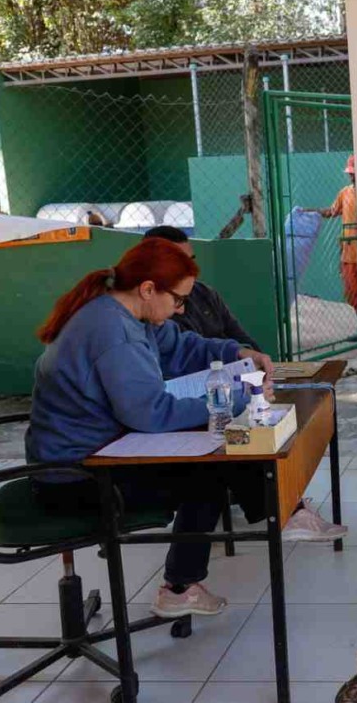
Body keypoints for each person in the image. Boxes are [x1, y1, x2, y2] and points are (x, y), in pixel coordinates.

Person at [27, 238, 275, 618]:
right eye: (178, 300)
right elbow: (152, 414)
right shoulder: (115, 334)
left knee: (213, 456)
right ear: (147, 289)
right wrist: (236, 399)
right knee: (207, 473)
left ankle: (280, 513)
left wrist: (235, 353)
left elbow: (180, 345)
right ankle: (184, 584)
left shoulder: (124, 312)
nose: (181, 309)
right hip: (73, 477)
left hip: (98, 451)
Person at [142, 225, 345, 542]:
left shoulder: (203, 294)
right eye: (180, 265)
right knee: (229, 442)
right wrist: (231, 384)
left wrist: (243, 358)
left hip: (214, 391)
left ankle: (288, 508)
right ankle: (285, 511)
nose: (190, 273)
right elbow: (154, 401)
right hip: (179, 410)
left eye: (192, 262)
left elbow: (224, 342)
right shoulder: (140, 319)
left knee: (274, 416)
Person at [143, 226, 261, 350]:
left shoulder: (204, 293)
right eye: (181, 262)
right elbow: (186, 355)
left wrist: (246, 354)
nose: (191, 269)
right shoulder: (151, 315)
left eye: (191, 260)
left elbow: (243, 339)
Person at [320, 155, 357, 321]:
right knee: (352, 291)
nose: (351, 175)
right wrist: (311, 212)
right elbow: (331, 211)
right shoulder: (345, 193)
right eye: (350, 173)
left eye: (354, 172)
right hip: (348, 250)